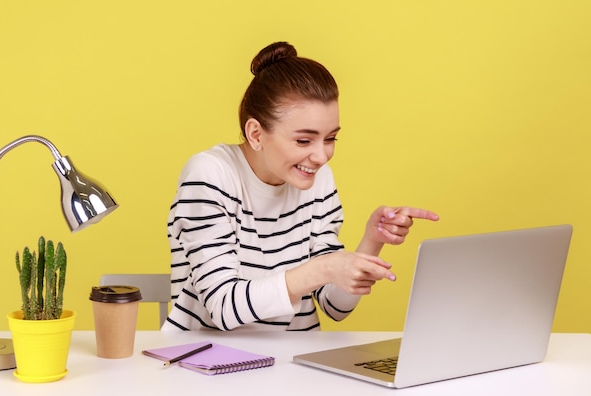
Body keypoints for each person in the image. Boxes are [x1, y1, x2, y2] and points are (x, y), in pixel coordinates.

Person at [163, 41, 438, 331]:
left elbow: (334, 305)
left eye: (331, 138)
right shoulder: (210, 174)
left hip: (291, 365)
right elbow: (222, 307)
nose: (321, 156)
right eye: (304, 140)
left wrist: (372, 240)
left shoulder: (318, 181)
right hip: (207, 363)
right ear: (256, 134)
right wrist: (324, 267)